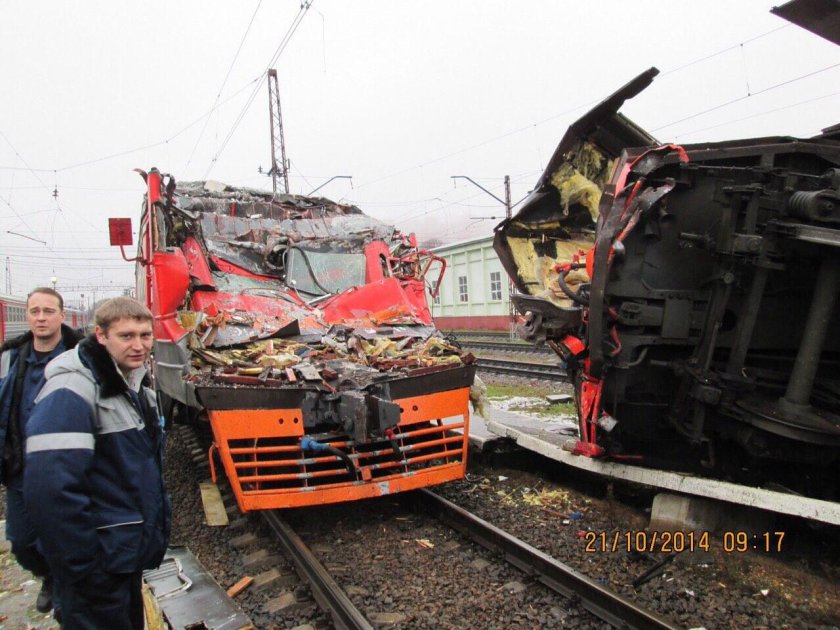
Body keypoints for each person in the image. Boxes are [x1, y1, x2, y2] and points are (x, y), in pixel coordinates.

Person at [24, 297, 170, 630]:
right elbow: (50, 489)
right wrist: (83, 566)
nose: (139, 345)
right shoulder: (72, 389)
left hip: (120, 557)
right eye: (127, 336)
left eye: (145, 336)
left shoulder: (131, 383)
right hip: (97, 566)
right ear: (101, 336)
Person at [0, 287, 82, 615]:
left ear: (62, 316)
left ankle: (64, 590)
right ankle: (47, 574)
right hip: (20, 468)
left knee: (64, 538)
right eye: (34, 311)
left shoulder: (83, 357)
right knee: (21, 542)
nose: (40, 318)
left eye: (48, 311)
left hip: (67, 470)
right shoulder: (9, 358)